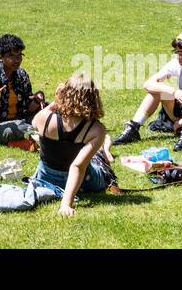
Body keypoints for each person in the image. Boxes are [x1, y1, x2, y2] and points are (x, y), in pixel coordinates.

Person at [111, 29, 182, 151]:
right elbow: (148, 84)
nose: (177, 56)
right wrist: (174, 92)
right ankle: (133, 128)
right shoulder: (176, 64)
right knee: (158, 89)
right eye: (176, 52)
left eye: (181, 53)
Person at [28, 73, 116, 216]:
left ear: (64, 93)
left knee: (95, 152)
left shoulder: (44, 117)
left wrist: (57, 100)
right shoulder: (96, 129)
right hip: (84, 183)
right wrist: (66, 204)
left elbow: (33, 124)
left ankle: (105, 149)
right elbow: (77, 166)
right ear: (93, 98)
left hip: (45, 179)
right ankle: (106, 150)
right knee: (99, 159)